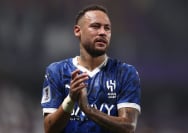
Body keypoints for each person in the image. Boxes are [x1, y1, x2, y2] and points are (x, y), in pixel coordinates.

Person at [41, 4, 141, 133]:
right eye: (95, 26)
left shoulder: (125, 73)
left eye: (107, 28)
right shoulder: (56, 71)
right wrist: (70, 100)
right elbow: (49, 129)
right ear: (78, 31)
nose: (102, 32)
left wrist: (88, 109)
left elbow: (128, 127)